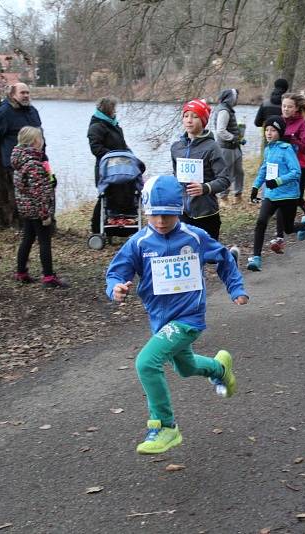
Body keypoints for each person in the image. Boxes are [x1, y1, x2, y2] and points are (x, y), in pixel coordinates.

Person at [105, 174, 248, 454]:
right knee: (185, 368)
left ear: (180, 209)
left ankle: (165, 426)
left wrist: (236, 288)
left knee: (147, 363)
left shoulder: (194, 237)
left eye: (167, 216)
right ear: (146, 212)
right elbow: (116, 271)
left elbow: (224, 258)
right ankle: (220, 369)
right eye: (154, 215)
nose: (160, 222)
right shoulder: (139, 242)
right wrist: (116, 288)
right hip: (161, 320)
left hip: (189, 317)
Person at [246, 116, 305, 271]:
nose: (268, 133)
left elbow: (296, 172)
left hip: (288, 196)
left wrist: (278, 181)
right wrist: (255, 187)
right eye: (266, 130)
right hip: (271, 195)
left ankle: (303, 226)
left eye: (272, 130)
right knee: (261, 222)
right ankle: (256, 258)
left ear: (280, 132)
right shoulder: (268, 150)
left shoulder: (287, 150)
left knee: (288, 229)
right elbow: (264, 169)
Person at [12, 127, 66, 288]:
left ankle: (21, 272)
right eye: (41, 139)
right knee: (44, 241)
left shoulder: (19, 161)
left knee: (27, 238)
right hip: (37, 210)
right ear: (35, 142)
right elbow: (39, 193)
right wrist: (45, 215)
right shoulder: (34, 164)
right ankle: (49, 276)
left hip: (26, 208)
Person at [170, 99, 230, 240]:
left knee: (210, 256)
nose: (189, 120)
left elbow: (225, 179)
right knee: (188, 255)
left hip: (206, 213)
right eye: (186, 116)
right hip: (183, 213)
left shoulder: (212, 147)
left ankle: (230, 256)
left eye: (195, 116)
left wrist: (205, 188)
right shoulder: (176, 147)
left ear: (203, 121)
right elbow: (175, 177)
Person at [87, 96, 140, 234]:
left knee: (125, 194)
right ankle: (96, 228)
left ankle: (124, 224)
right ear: (108, 110)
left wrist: (129, 155)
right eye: (114, 109)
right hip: (106, 169)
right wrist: (115, 156)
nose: (115, 112)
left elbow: (122, 144)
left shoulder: (113, 124)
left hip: (121, 167)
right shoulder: (96, 126)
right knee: (105, 197)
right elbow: (96, 149)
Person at [0, 82, 42, 174]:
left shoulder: (33, 111)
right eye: (22, 93)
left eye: (27, 93)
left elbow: (40, 134)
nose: (26, 95)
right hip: (16, 166)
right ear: (12, 94)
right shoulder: (4, 112)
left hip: (37, 162)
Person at [280, 92, 305, 226]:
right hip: (283, 165)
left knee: (296, 196)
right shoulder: (279, 121)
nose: (286, 109)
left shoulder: (302, 123)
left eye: (289, 107)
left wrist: (292, 139)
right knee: (281, 195)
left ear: (297, 108)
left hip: (299, 165)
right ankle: (283, 227)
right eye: (284, 106)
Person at [213, 88, 245, 205]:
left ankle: (238, 195)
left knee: (239, 172)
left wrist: (238, 137)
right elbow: (220, 131)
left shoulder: (228, 110)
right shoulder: (224, 111)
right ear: (231, 98)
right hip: (226, 148)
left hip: (234, 147)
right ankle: (223, 198)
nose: (237, 99)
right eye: (236, 97)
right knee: (227, 173)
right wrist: (233, 137)